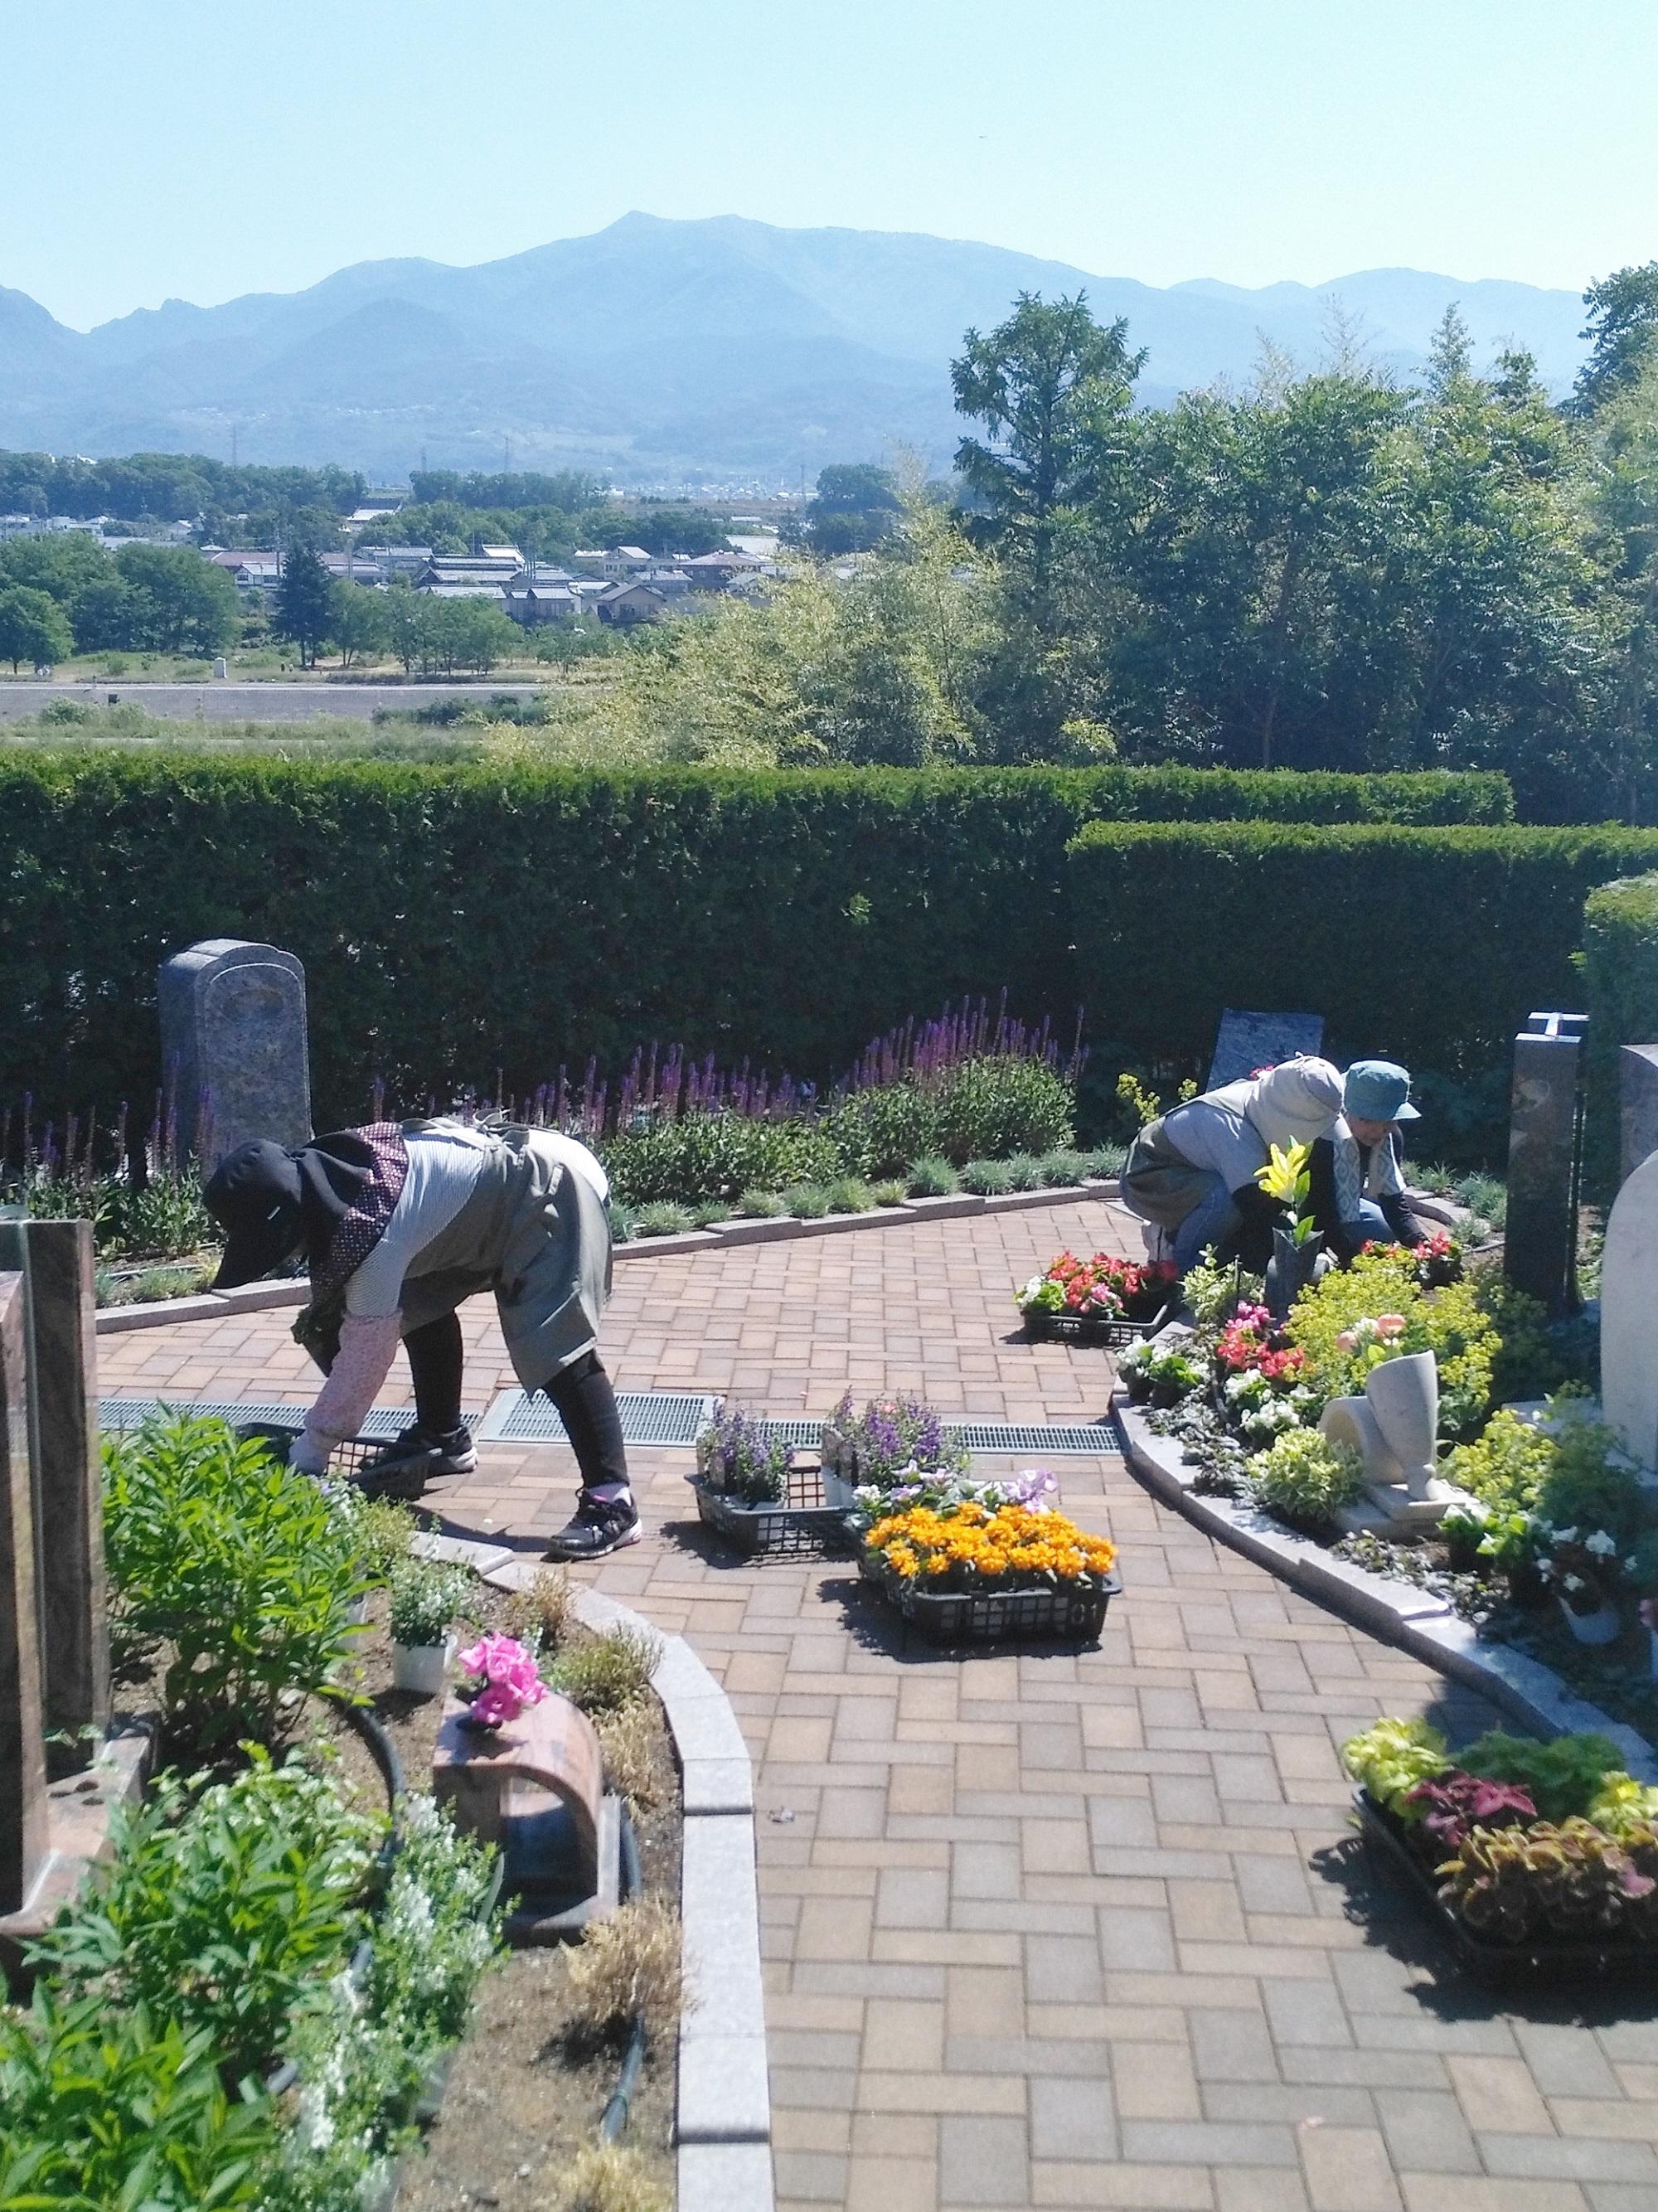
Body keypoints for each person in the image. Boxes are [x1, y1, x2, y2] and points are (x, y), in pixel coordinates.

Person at [203, 1114, 639, 1561]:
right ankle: (443, 1436)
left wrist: (311, 1453)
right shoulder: (335, 1178)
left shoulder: (373, 1235)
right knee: (413, 1303)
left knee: (556, 1347)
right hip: (480, 1205)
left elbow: (364, 1361)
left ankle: (613, 1502)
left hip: (548, 1189)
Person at [1117, 1056, 1345, 1275]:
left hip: (1196, 1169)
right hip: (1148, 1174)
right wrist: (1296, 1255)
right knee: (1224, 1200)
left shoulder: (1264, 1110)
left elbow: (1318, 1195)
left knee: (1236, 1207)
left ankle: (1180, 1233)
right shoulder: (1233, 1129)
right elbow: (1256, 1211)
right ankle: (1186, 1271)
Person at [1305, 1059, 1430, 1262]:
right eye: (1368, 1120)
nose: (1379, 1131)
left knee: (1384, 1233)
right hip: (1307, 1210)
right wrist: (1354, 1259)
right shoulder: (1323, 1138)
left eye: (1389, 1120)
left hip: (1346, 1204)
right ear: (1349, 1110)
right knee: (1315, 1258)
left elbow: (1394, 1202)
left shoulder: (1391, 1138)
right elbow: (1319, 1210)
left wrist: (1422, 1245)